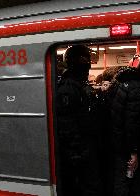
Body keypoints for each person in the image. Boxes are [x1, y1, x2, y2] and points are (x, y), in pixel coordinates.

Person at [109, 49, 140, 196]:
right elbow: (133, 121)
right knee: (131, 183)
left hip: (118, 141)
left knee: (121, 180)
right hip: (130, 146)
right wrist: (134, 151)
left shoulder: (120, 81)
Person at [56, 44, 103, 196]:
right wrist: (77, 152)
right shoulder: (68, 88)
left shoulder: (80, 84)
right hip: (80, 149)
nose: (88, 64)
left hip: (87, 145)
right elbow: (66, 123)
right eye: (84, 59)